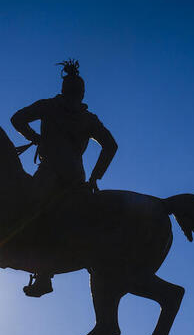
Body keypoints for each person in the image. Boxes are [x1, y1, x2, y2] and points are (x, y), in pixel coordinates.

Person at [11, 59, 118, 297]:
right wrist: (95, 177)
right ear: (81, 93)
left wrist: (36, 138)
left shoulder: (49, 106)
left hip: (50, 173)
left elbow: (17, 118)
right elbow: (110, 146)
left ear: (63, 89)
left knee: (29, 209)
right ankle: (45, 274)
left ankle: (42, 274)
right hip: (76, 177)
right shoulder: (88, 119)